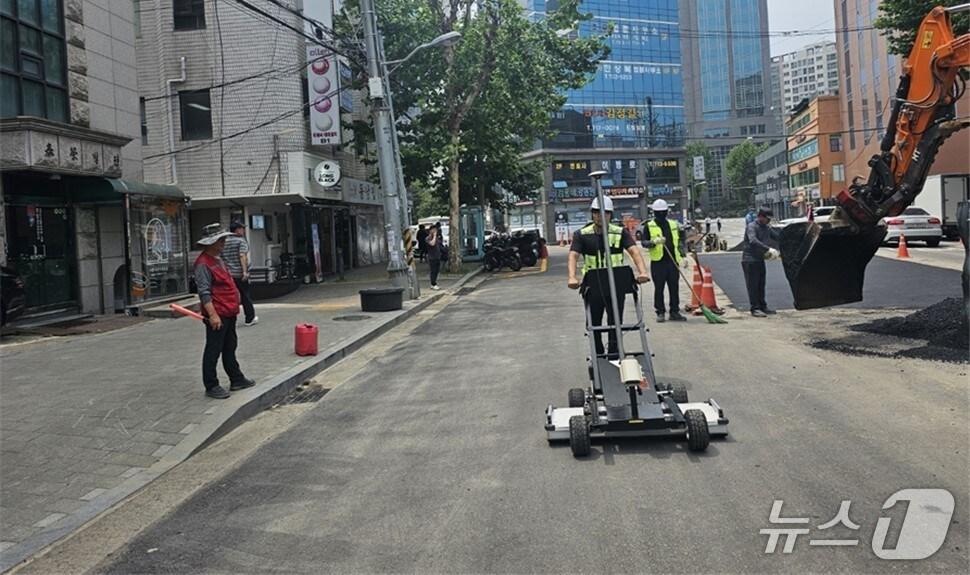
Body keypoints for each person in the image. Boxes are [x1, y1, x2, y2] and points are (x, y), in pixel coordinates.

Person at [567, 196, 650, 358]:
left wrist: (643, 272)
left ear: (610, 215)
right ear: (592, 214)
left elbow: (634, 251)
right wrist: (572, 277)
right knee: (593, 324)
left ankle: (614, 355)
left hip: (616, 285)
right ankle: (598, 356)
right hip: (593, 286)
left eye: (604, 213)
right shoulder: (582, 234)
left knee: (615, 323)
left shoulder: (619, 233)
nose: (600, 216)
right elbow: (573, 256)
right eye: (597, 213)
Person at [194, 224, 255, 399]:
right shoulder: (203, 264)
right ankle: (211, 385)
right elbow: (204, 292)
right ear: (211, 242)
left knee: (230, 346)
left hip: (229, 311)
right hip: (218, 313)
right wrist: (212, 315)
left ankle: (236, 378)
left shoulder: (218, 260)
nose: (224, 242)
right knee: (213, 349)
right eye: (220, 240)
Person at [642, 199, 688, 323]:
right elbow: (644, 242)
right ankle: (660, 312)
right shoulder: (649, 226)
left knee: (674, 287)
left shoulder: (673, 224)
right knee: (659, 288)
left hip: (673, 262)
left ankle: (674, 312)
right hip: (658, 262)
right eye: (659, 212)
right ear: (654, 212)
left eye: (663, 212)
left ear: (667, 212)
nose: (661, 214)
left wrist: (683, 256)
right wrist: (653, 242)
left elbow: (680, 240)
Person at [742, 207, 781, 318]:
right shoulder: (752, 227)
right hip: (749, 259)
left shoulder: (766, 228)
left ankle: (762, 306)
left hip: (759, 259)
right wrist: (767, 249)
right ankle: (755, 308)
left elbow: (778, 237)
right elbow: (753, 241)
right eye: (767, 218)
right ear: (760, 216)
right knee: (753, 285)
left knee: (761, 284)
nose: (768, 221)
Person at [223, 221, 258, 326]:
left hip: (228, 274)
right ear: (237, 230)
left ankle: (228, 319)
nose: (243, 230)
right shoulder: (240, 241)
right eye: (242, 228)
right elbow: (242, 255)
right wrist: (244, 272)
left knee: (229, 296)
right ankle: (249, 318)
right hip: (239, 273)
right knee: (245, 295)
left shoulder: (225, 241)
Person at [426, 223, 444, 290]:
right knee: (433, 271)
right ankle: (433, 283)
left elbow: (439, 245)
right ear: (430, 231)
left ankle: (434, 282)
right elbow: (432, 244)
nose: (434, 231)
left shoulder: (436, 238)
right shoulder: (428, 238)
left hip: (437, 256)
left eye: (435, 230)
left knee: (437, 270)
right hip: (431, 257)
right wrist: (434, 236)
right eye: (433, 230)